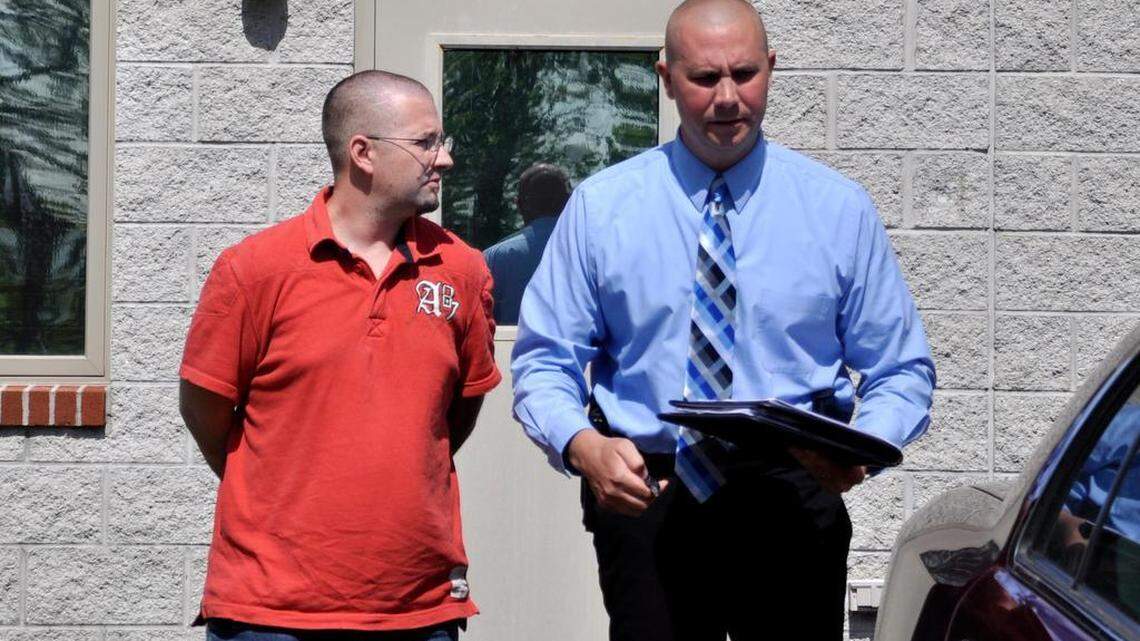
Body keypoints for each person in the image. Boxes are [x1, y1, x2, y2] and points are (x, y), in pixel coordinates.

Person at [510, 1, 936, 639]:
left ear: (771, 67)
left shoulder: (837, 210)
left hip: (793, 494)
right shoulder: (602, 209)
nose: (729, 98)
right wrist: (582, 445)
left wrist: (859, 449)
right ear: (666, 77)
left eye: (745, 73)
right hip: (650, 493)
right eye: (705, 78)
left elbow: (899, 367)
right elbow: (546, 358)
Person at [179, 70, 501, 641]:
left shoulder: (462, 270)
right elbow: (205, 407)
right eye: (426, 142)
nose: (444, 159)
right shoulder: (255, 269)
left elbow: (453, 414)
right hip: (269, 614)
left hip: (418, 610)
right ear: (363, 152)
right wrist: (278, 489)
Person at [482, 163, 572, 325]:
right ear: (568, 202)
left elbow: (482, 326)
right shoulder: (594, 252)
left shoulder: (494, 258)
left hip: (511, 349)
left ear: (520, 205)